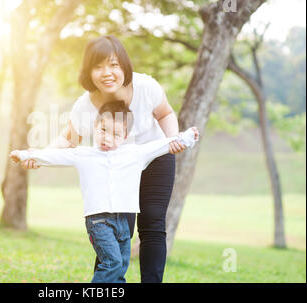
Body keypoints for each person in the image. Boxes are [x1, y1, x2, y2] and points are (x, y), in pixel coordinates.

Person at [21, 35, 186, 283]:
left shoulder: (145, 87)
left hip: (154, 158)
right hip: (116, 166)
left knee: (152, 222)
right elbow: (68, 139)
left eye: (113, 65)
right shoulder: (84, 106)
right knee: (115, 226)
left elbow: (165, 113)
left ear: (124, 67)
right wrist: (39, 156)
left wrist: (172, 140)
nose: (106, 73)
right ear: (89, 71)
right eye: (98, 67)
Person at [10, 100, 199, 283]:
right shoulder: (83, 154)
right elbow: (55, 155)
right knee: (113, 263)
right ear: (95, 126)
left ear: (125, 136)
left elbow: (162, 145)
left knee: (120, 267)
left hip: (124, 222)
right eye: (103, 130)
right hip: (98, 221)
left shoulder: (135, 154)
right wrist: (27, 155)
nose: (108, 138)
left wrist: (186, 138)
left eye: (116, 134)